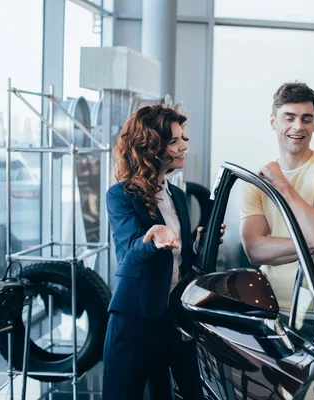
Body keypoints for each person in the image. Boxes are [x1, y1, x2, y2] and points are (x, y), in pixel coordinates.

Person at [102, 104, 223, 399]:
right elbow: (130, 252)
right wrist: (152, 238)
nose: (184, 147)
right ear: (151, 147)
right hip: (134, 320)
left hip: (172, 319)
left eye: (183, 139)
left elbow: (180, 264)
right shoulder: (120, 195)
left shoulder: (178, 197)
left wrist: (197, 244)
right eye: (174, 141)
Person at [240, 82, 314, 321]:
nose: (298, 126)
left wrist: (283, 185)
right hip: (269, 308)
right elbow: (254, 250)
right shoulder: (256, 182)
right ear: (273, 122)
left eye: (306, 119)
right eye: (289, 117)